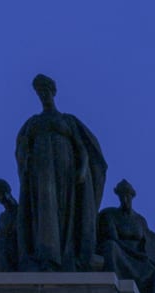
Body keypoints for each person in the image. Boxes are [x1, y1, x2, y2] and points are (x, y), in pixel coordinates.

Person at [12, 74, 107, 271]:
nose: (43, 95)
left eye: (46, 91)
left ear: (53, 92)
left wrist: (82, 169)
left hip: (65, 171)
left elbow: (81, 148)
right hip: (41, 172)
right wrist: (26, 163)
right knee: (46, 211)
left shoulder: (67, 120)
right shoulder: (33, 123)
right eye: (39, 92)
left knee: (66, 212)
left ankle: (68, 255)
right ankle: (48, 257)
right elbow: (22, 148)